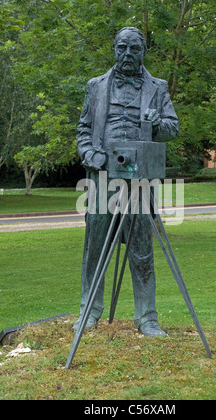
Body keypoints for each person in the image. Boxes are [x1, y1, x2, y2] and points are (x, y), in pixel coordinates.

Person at [74, 27, 179, 337]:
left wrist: (159, 122)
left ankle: (147, 317)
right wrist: (90, 154)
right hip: (102, 176)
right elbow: (83, 130)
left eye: (135, 49)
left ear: (143, 52)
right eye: (123, 48)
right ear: (114, 49)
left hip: (138, 179)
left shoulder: (157, 88)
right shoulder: (95, 86)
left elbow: (173, 127)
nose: (128, 54)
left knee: (141, 248)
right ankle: (89, 312)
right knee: (95, 248)